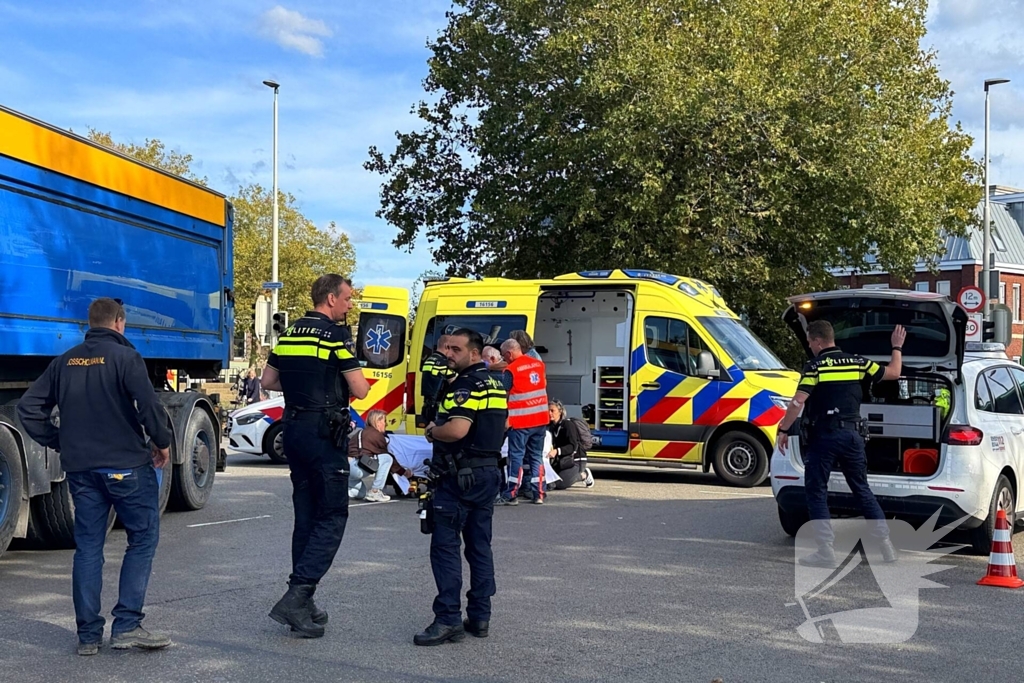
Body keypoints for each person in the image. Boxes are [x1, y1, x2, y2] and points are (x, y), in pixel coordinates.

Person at [17, 297, 173, 656]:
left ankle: (88, 636)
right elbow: (149, 406)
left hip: (81, 470)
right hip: (126, 466)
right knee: (142, 538)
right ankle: (127, 626)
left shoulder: (64, 361)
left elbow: (28, 408)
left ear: (90, 323)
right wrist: (162, 442)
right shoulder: (126, 358)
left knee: (88, 547)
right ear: (119, 322)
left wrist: (60, 440)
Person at [260, 274, 370, 638]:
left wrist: (301, 385)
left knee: (305, 516)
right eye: (347, 298)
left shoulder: (290, 333)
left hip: (293, 429)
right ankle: (297, 596)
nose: (350, 305)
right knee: (333, 515)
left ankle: (303, 603)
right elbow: (360, 390)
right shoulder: (336, 336)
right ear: (331, 298)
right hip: (324, 433)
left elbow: (268, 381)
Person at [777, 319, 906, 568]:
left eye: (810, 342)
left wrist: (784, 429)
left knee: (816, 491)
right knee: (861, 488)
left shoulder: (816, 367)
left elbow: (797, 402)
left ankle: (825, 551)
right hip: (853, 436)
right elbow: (894, 373)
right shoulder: (858, 362)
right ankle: (886, 545)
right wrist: (896, 346)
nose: (809, 346)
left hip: (824, 436)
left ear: (817, 341)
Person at [416, 328, 508, 646]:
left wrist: (432, 430)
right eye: (446, 348)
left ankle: (448, 619)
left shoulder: (466, 386)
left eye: (456, 349)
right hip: (487, 472)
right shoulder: (496, 382)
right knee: (480, 547)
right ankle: (480, 616)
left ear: (475, 353)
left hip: (458, 476)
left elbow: (456, 430)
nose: (448, 354)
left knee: (445, 547)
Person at [498, 338, 549, 505]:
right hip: (540, 419)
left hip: (520, 421)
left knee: (516, 457)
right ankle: (539, 493)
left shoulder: (510, 370)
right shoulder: (538, 364)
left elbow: (505, 394)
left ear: (509, 353)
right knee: (536, 457)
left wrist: (505, 417)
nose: (503, 359)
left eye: (503, 355)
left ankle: (511, 494)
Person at [348, 409, 395, 502]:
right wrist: (403, 472)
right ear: (378, 422)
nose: (386, 424)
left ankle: (341, 491)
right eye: (384, 421)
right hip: (358, 467)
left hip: (347, 467)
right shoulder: (377, 436)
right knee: (387, 458)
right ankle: (375, 491)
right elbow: (385, 454)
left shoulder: (359, 432)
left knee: (361, 493)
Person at [546, 400, 594, 490]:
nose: (549, 413)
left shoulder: (568, 425)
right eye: (548, 410)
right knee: (550, 482)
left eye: (552, 411)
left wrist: (557, 451)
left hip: (575, 460)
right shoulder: (551, 427)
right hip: (562, 461)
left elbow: (573, 446)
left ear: (560, 411)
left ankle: (584, 474)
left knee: (560, 484)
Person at [420, 334, 455, 427]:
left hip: (428, 406)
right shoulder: (444, 363)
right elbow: (456, 383)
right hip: (439, 408)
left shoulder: (429, 360)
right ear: (447, 346)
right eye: (453, 348)